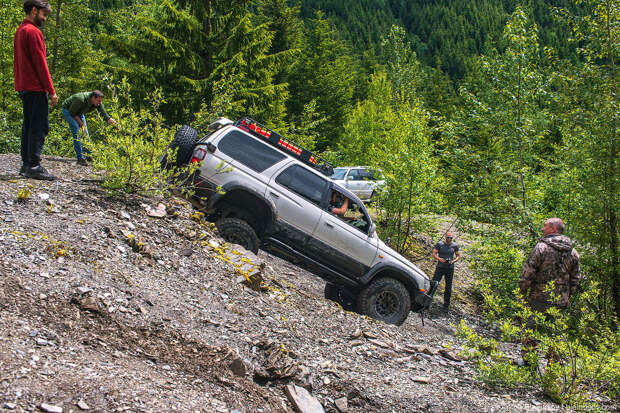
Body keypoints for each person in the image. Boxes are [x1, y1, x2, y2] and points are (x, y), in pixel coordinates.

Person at [519, 218, 581, 362]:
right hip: (560, 300)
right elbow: (575, 278)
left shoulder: (541, 247)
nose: (542, 229)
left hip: (538, 297)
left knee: (531, 328)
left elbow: (528, 272)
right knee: (556, 333)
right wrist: (567, 296)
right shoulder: (573, 252)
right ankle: (553, 365)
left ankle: (529, 362)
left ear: (554, 229)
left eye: (545, 226)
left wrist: (522, 292)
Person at [14, 0, 58, 180]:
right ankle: (33, 164)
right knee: (39, 126)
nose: (45, 18)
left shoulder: (20, 31)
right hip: (35, 86)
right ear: (34, 10)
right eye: (43, 14)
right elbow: (41, 64)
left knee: (29, 126)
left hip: (24, 86)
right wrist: (51, 90)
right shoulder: (33, 32)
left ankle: (26, 164)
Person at [62, 90, 116, 165]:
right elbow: (72, 113)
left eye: (101, 101)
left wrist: (109, 119)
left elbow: (103, 112)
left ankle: (89, 155)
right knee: (78, 133)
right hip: (69, 111)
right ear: (93, 97)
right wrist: (81, 124)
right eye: (98, 101)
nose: (100, 103)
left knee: (85, 134)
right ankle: (80, 158)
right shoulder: (80, 99)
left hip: (79, 112)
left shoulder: (97, 102)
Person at [432, 232, 460, 310]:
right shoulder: (440, 244)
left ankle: (446, 305)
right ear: (445, 237)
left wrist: (453, 261)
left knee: (448, 287)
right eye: (448, 237)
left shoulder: (454, 246)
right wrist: (440, 259)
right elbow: (434, 253)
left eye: (451, 238)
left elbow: (458, 256)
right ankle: (428, 300)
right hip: (440, 267)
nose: (449, 239)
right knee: (434, 283)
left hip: (450, 268)